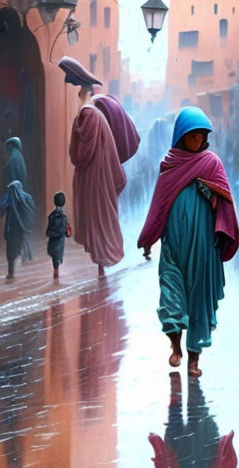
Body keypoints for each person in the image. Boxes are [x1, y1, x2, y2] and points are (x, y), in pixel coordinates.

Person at [138, 107, 238, 378]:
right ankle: (175, 346)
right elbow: (158, 205)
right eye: (191, 135)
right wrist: (149, 237)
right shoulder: (169, 165)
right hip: (174, 244)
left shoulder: (212, 163)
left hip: (204, 246)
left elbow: (226, 202)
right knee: (170, 294)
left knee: (199, 303)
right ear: (180, 136)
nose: (196, 140)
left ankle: (194, 358)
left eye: (200, 135)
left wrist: (213, 193)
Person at [68, 79, 126, 276]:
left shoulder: (88, 114)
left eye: (80, 91)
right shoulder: (93, 113)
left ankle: (102, 260)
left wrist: (76, 125)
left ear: (85, 93)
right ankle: (101, 262)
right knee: (99, 215)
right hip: (99, 175)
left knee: (98, 216)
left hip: (95, 176)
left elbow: (85, 148)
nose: (78, 95)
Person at [0, 180, 35, 279]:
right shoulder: (12, 200)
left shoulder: (18, 199)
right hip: (15, 231)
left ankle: (15, 272)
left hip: (14, 231)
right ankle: (15, 271)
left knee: (13, 252)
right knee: (15, 251)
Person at [45, 192, 71, 279]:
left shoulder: (52, 215)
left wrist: (48, 233)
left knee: (53, 254)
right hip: (60, 238)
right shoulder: (64, 216)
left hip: (53, 237)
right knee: (59, 252)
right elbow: (66, 228)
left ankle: (56, 268)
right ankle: (58, 267)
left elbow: (49, 227)